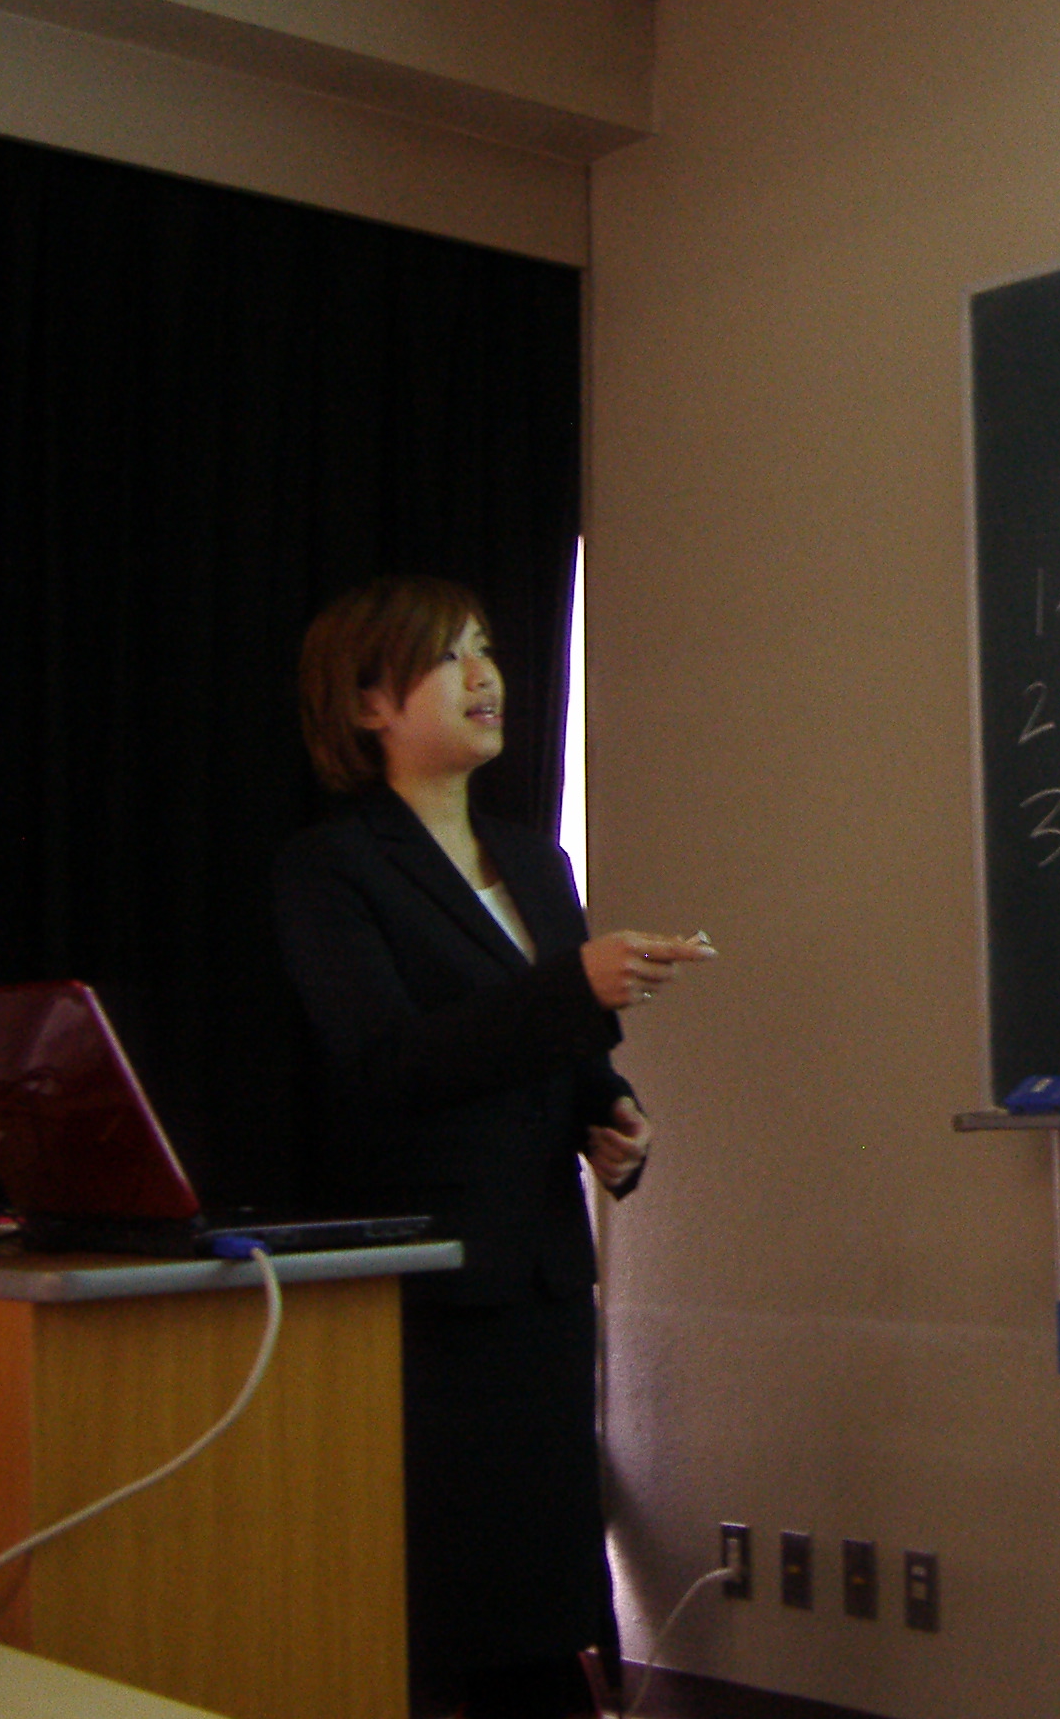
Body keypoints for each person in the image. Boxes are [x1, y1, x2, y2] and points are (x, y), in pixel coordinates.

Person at [273, 575, 711, 1719]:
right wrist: (572, 987)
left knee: (544, 1586)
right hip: (428, 1283)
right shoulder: (332, 867)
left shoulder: (534, 858)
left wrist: (617, 1120)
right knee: (449, 1599)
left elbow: (563, 1059)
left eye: (486, 650)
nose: (485, 677)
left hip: (543, 1271)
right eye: (448, 657)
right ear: (368, 704)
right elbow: (385, 1063)